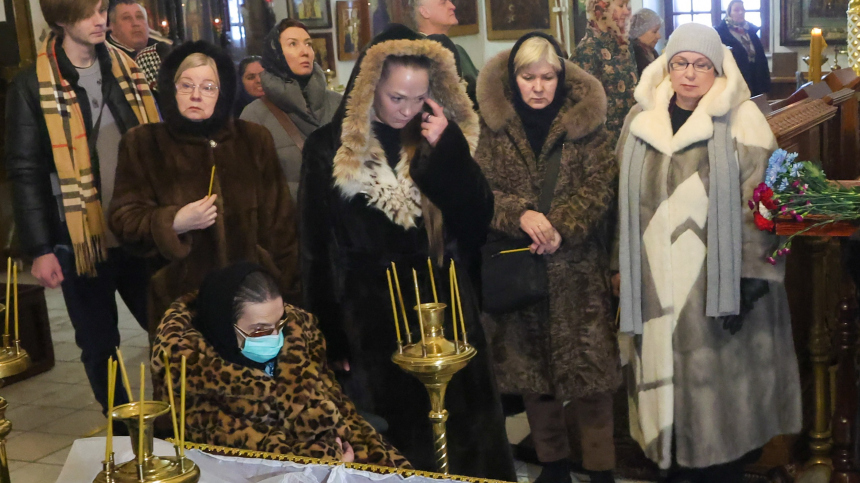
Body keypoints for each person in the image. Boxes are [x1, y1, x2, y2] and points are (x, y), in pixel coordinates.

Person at [299, 24, 516, 480]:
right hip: (370, 318)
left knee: (465, 439)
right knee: (393, 444)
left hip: (447, 308)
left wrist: (449, 152)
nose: (407, 110)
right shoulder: (327, 149)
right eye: (397, 97)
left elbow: (477, 221)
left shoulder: (440, 136)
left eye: (419, 98)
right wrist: (329, 333)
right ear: (369, 86)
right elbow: (315, 246)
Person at [615, 23, 801, 481]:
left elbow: (765, 202)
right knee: (667, 414)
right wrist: (618, 265)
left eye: (701, 65)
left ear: (717, 69)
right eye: (681, 63)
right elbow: (620, 203)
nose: (690, 73)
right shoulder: (640, 119)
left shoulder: (743, 120)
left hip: (720, 290)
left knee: (723, 421)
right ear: (667, 66)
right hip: (654, 286)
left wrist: (750, 278)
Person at [475, 32, 619, 483]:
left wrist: (561, 227)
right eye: (527, 77)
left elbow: (602, 184)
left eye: (547, 77)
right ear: (513, 78)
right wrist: (521, 215)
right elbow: (482, 190)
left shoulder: (587, 125)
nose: (538, 87)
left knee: (592, 380)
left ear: (561, 77)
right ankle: (553, 466)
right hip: (521, 266)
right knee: (534, 379)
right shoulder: (493, 130)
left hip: (578, 271)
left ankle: (601, 471)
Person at [5, 0, 159, 417]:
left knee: (166, 326)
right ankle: (122, 430)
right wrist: (40, 249)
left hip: (135, 225)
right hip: (80, 238)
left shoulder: (124, 69)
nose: (99, 20)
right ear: (60, 19)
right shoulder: (31, 85)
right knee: (99, 342)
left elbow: (154, 143)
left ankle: (175, 418)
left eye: (101, 9)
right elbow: (25, 171)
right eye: (87, 13)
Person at [109, 41, 301, 334]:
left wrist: (287, 289)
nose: (196, 95)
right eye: (186, 85)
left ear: (222, 93)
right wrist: (173, 222)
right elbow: (123, 219)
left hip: (253, 299)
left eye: (208, 87)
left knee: (253, 363)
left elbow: (281, 225)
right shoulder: (144, 144)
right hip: (181, 304)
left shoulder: (253, 139)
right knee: (190, 364)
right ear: (171, 89)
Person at [151, 262, 410, 466]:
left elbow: (338, 409)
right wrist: (328, 466)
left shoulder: (300, 342)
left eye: (279, 324)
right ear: (223, 329)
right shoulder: (193, 377)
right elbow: (245, 461)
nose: (276, 337)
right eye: (260, 330)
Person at [240, 19, 341, 202]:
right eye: (293, 44)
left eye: (308, 44)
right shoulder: (254, 115)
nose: (305, 51)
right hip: (289, 218)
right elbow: (250, 189)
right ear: (276, 54)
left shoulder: (338, 104)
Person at [572, 0, 637, 145]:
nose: (626, 11)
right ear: (600, 10)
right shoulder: (588, 50)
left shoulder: (624, 47)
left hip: (629, 137)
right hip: (603, 145)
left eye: (627, 6)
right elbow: (582, 110)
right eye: (621, 6)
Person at [412, 0, 479, 107]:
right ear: (425, 12)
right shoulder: (416, 55)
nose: (452, 6)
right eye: (443, 3)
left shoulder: (459, 50)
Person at [107, 0, 169, 89]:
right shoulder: (108, 60)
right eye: (126, 18)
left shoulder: (162, 50)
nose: (135, 23)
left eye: (139, 17)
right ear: (112, 26)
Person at [715, 0, 770, 96]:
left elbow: (761, 58)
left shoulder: (750, 31)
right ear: (729, 13)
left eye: (742, 9)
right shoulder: (721, 33)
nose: (741, 12)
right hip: (736, 80)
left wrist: (766, 83)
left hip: (756, 79)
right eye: (736, 10)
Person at [629, 8, 662, 78]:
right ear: (640, 31)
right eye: (654, 31)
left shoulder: (651, 51)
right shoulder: (635, 55)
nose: (659, 36)